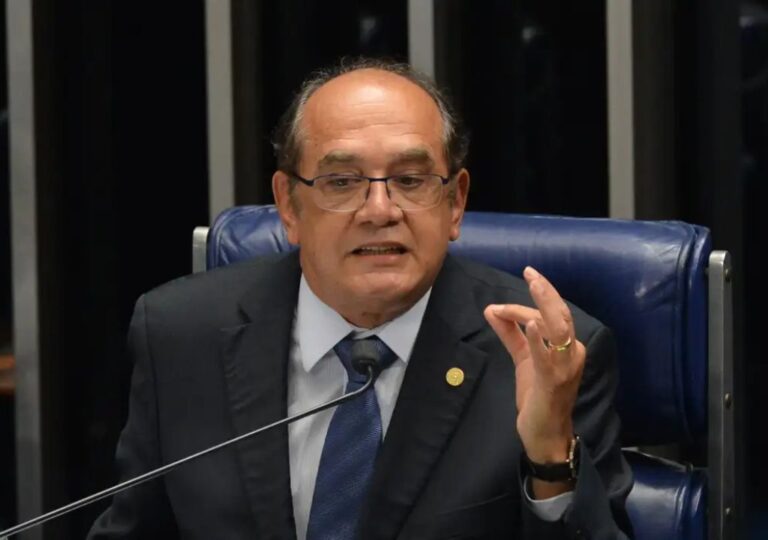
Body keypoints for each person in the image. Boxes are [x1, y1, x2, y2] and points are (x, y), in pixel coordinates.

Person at [89, 58, 632, 539]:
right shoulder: (181, 337)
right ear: (289, 206)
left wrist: (549, 455)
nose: (379, 210)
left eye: (411, 180)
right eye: (342, 182)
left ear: (455, 203)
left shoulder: (548, 357)